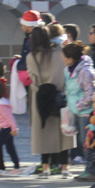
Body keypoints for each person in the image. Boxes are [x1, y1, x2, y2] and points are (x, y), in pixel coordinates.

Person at [27, 26, 75, 179]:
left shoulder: (32, 57)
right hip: (61, 95)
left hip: (42, 96)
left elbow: (33, 79)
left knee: (44, 133)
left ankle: (45, 168)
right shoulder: (60, 52)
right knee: (64, 133)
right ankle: (65, 168)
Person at [62, 40, 95, 178]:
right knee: (82, 142)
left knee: (88, 142)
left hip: (86, 112)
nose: (63, 59)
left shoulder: (85, 71)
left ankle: (92, 170)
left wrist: (78, 105)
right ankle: (89, 169)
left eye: (64, 57)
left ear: (71, 59)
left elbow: (91, 94)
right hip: (76, 112)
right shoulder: (69, 71)